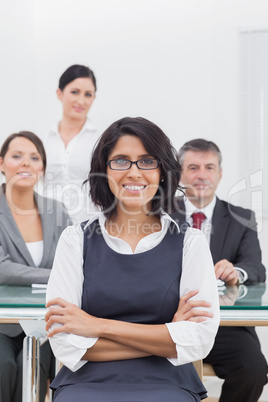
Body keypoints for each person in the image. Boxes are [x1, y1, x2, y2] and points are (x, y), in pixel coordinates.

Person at [45, 117, 220, 402]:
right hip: (85, 383)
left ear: (163, 171)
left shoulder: (190, 242)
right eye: (121, 161)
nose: (134, 172)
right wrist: (166, 337)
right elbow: (65, 343)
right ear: (104, 170)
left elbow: (199, 340)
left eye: (147, 161)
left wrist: (98, 326)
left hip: (169, 384)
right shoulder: (75, 240)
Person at [172, 138, 268, 402]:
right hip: (172, 320)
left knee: (253, 369)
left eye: (209, 167)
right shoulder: (160, 214)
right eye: (193, 167)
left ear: (220, 173)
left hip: (227, 325)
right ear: (180, 174)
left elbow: (256, 267)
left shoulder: (242, 217)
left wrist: (237, 272)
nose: (202, 175)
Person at [0, 131, 70, 402]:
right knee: (5, 366)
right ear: (2, 163)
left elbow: (75, 263)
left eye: (34, 157)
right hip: (2, 323)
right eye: (17, 156)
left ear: (42, 167)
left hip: (46, 323)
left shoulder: (58, 211)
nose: (26, 164)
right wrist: (54, 275)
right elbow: (2, 269)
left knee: (36, 367)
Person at [43, 64, 101, 224]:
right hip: (50, 226)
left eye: (88, 94)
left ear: (94, 98)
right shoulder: (45, 141)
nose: (81, 101)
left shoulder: (100, 142)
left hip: (89, 226)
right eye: (74, 92)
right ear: (59, 93)